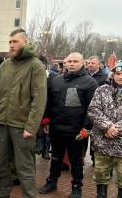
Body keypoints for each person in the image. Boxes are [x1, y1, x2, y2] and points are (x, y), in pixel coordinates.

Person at [0, 29, 47, 198]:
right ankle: (2, 194)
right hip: (1, 124)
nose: (11, 45)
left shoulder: (36, 65)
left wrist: (31, 126)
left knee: (25, 168)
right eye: (10, 42)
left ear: (25, 42)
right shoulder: (5, 65)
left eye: (15, 42)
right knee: (1, 165)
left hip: (22, 127)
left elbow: (39, 99)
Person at [39, 52, 98, 198]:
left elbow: (93, 109)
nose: (71, 64)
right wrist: (46, 120)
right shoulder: (56, 81)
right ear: (65, 63)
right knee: (56, 158)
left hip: (77, 131)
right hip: (57, 128)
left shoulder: (90, 83)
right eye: (69, 61)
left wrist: (86, 128)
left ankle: (77, 187)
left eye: (75, 61)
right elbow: (49, 103)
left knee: (76, 161)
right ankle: (52, 182)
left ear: (82, 63)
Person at [88, 61, 122, 198]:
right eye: (118, 74)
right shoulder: (102, 90)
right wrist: (107, 126)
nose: (121, 76)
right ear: (113, 75)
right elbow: (93, 110)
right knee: (101, 175)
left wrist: (116, 129)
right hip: (103, 142)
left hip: (121, 144)